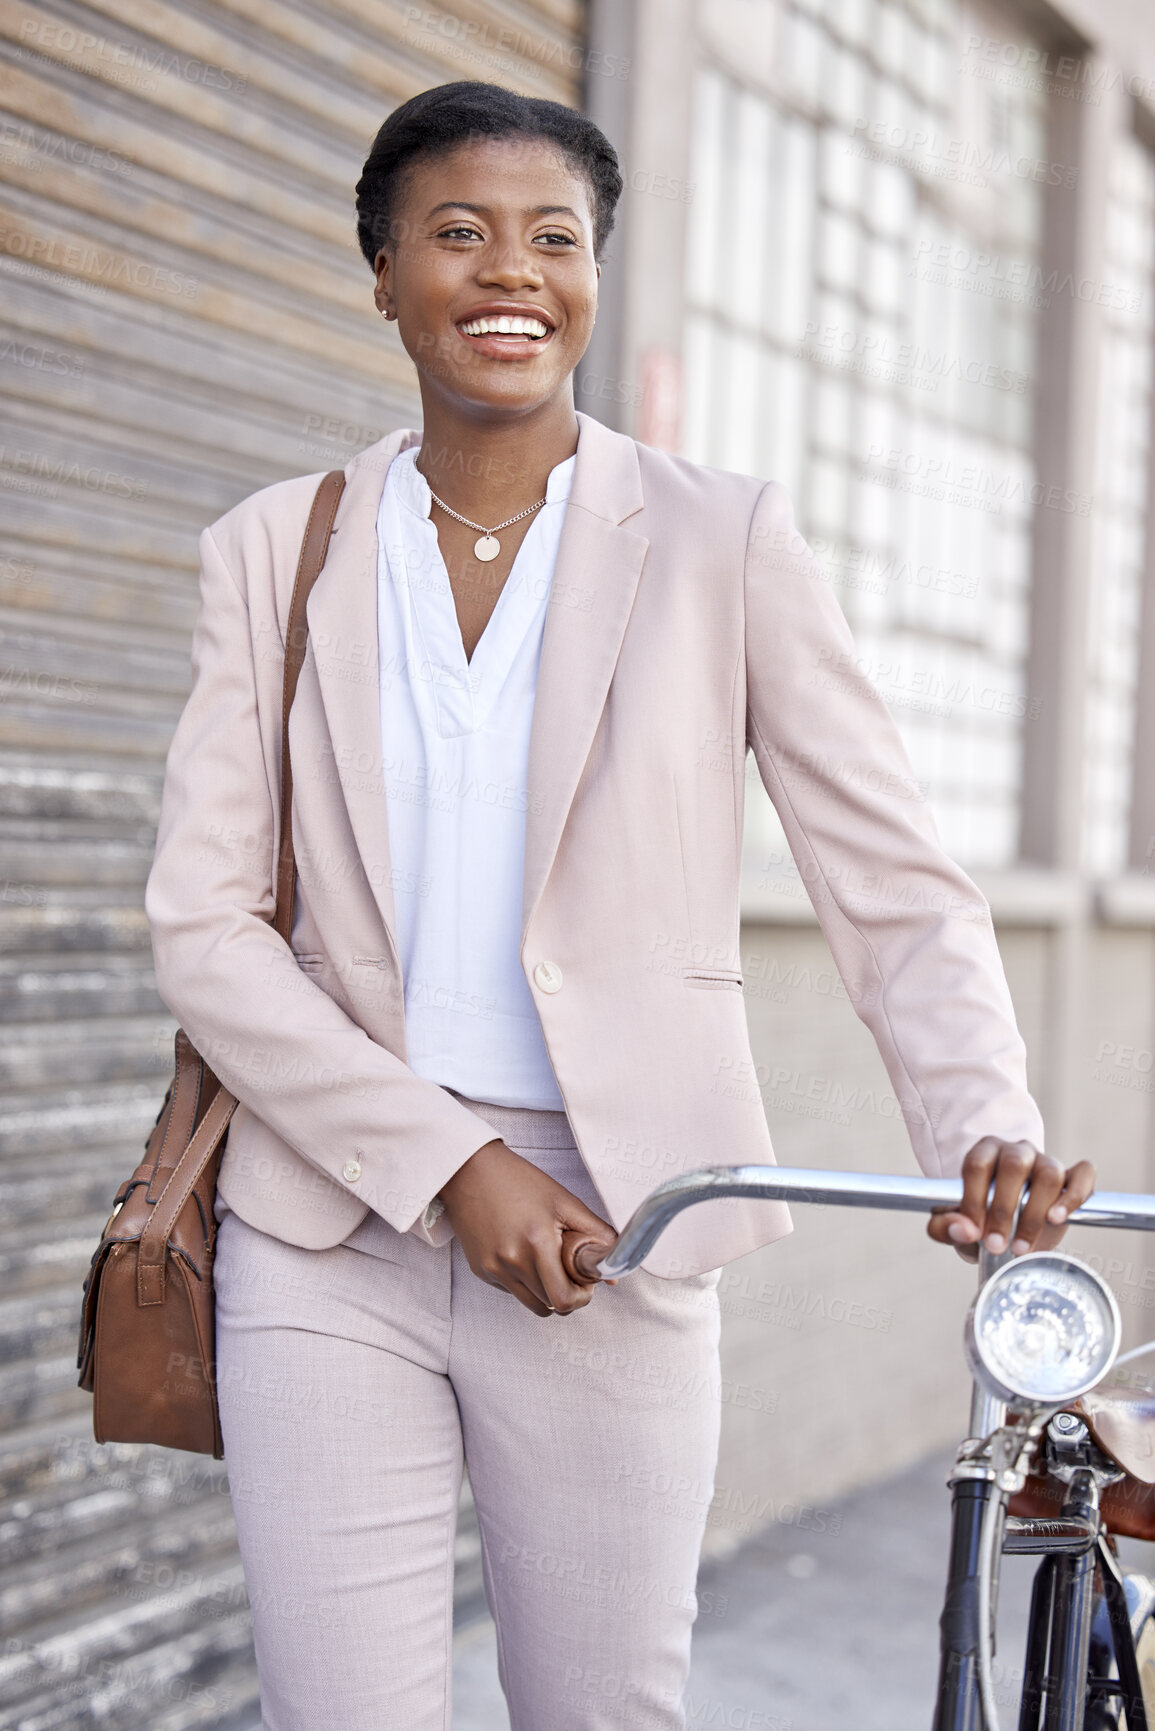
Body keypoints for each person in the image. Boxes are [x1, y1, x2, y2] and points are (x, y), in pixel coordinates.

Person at [145, 78, 1094, 1731]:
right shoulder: (270, 553)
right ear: (381, 272)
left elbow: (889, 882)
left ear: (594, 273)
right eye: (456, 234)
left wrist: (981, 1120)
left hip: (618, 1230)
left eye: (552, 237)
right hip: (322, 1229)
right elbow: (204, 929)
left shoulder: (724, 541)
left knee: (601, 1712)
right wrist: (453, 1162)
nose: (509, 272)